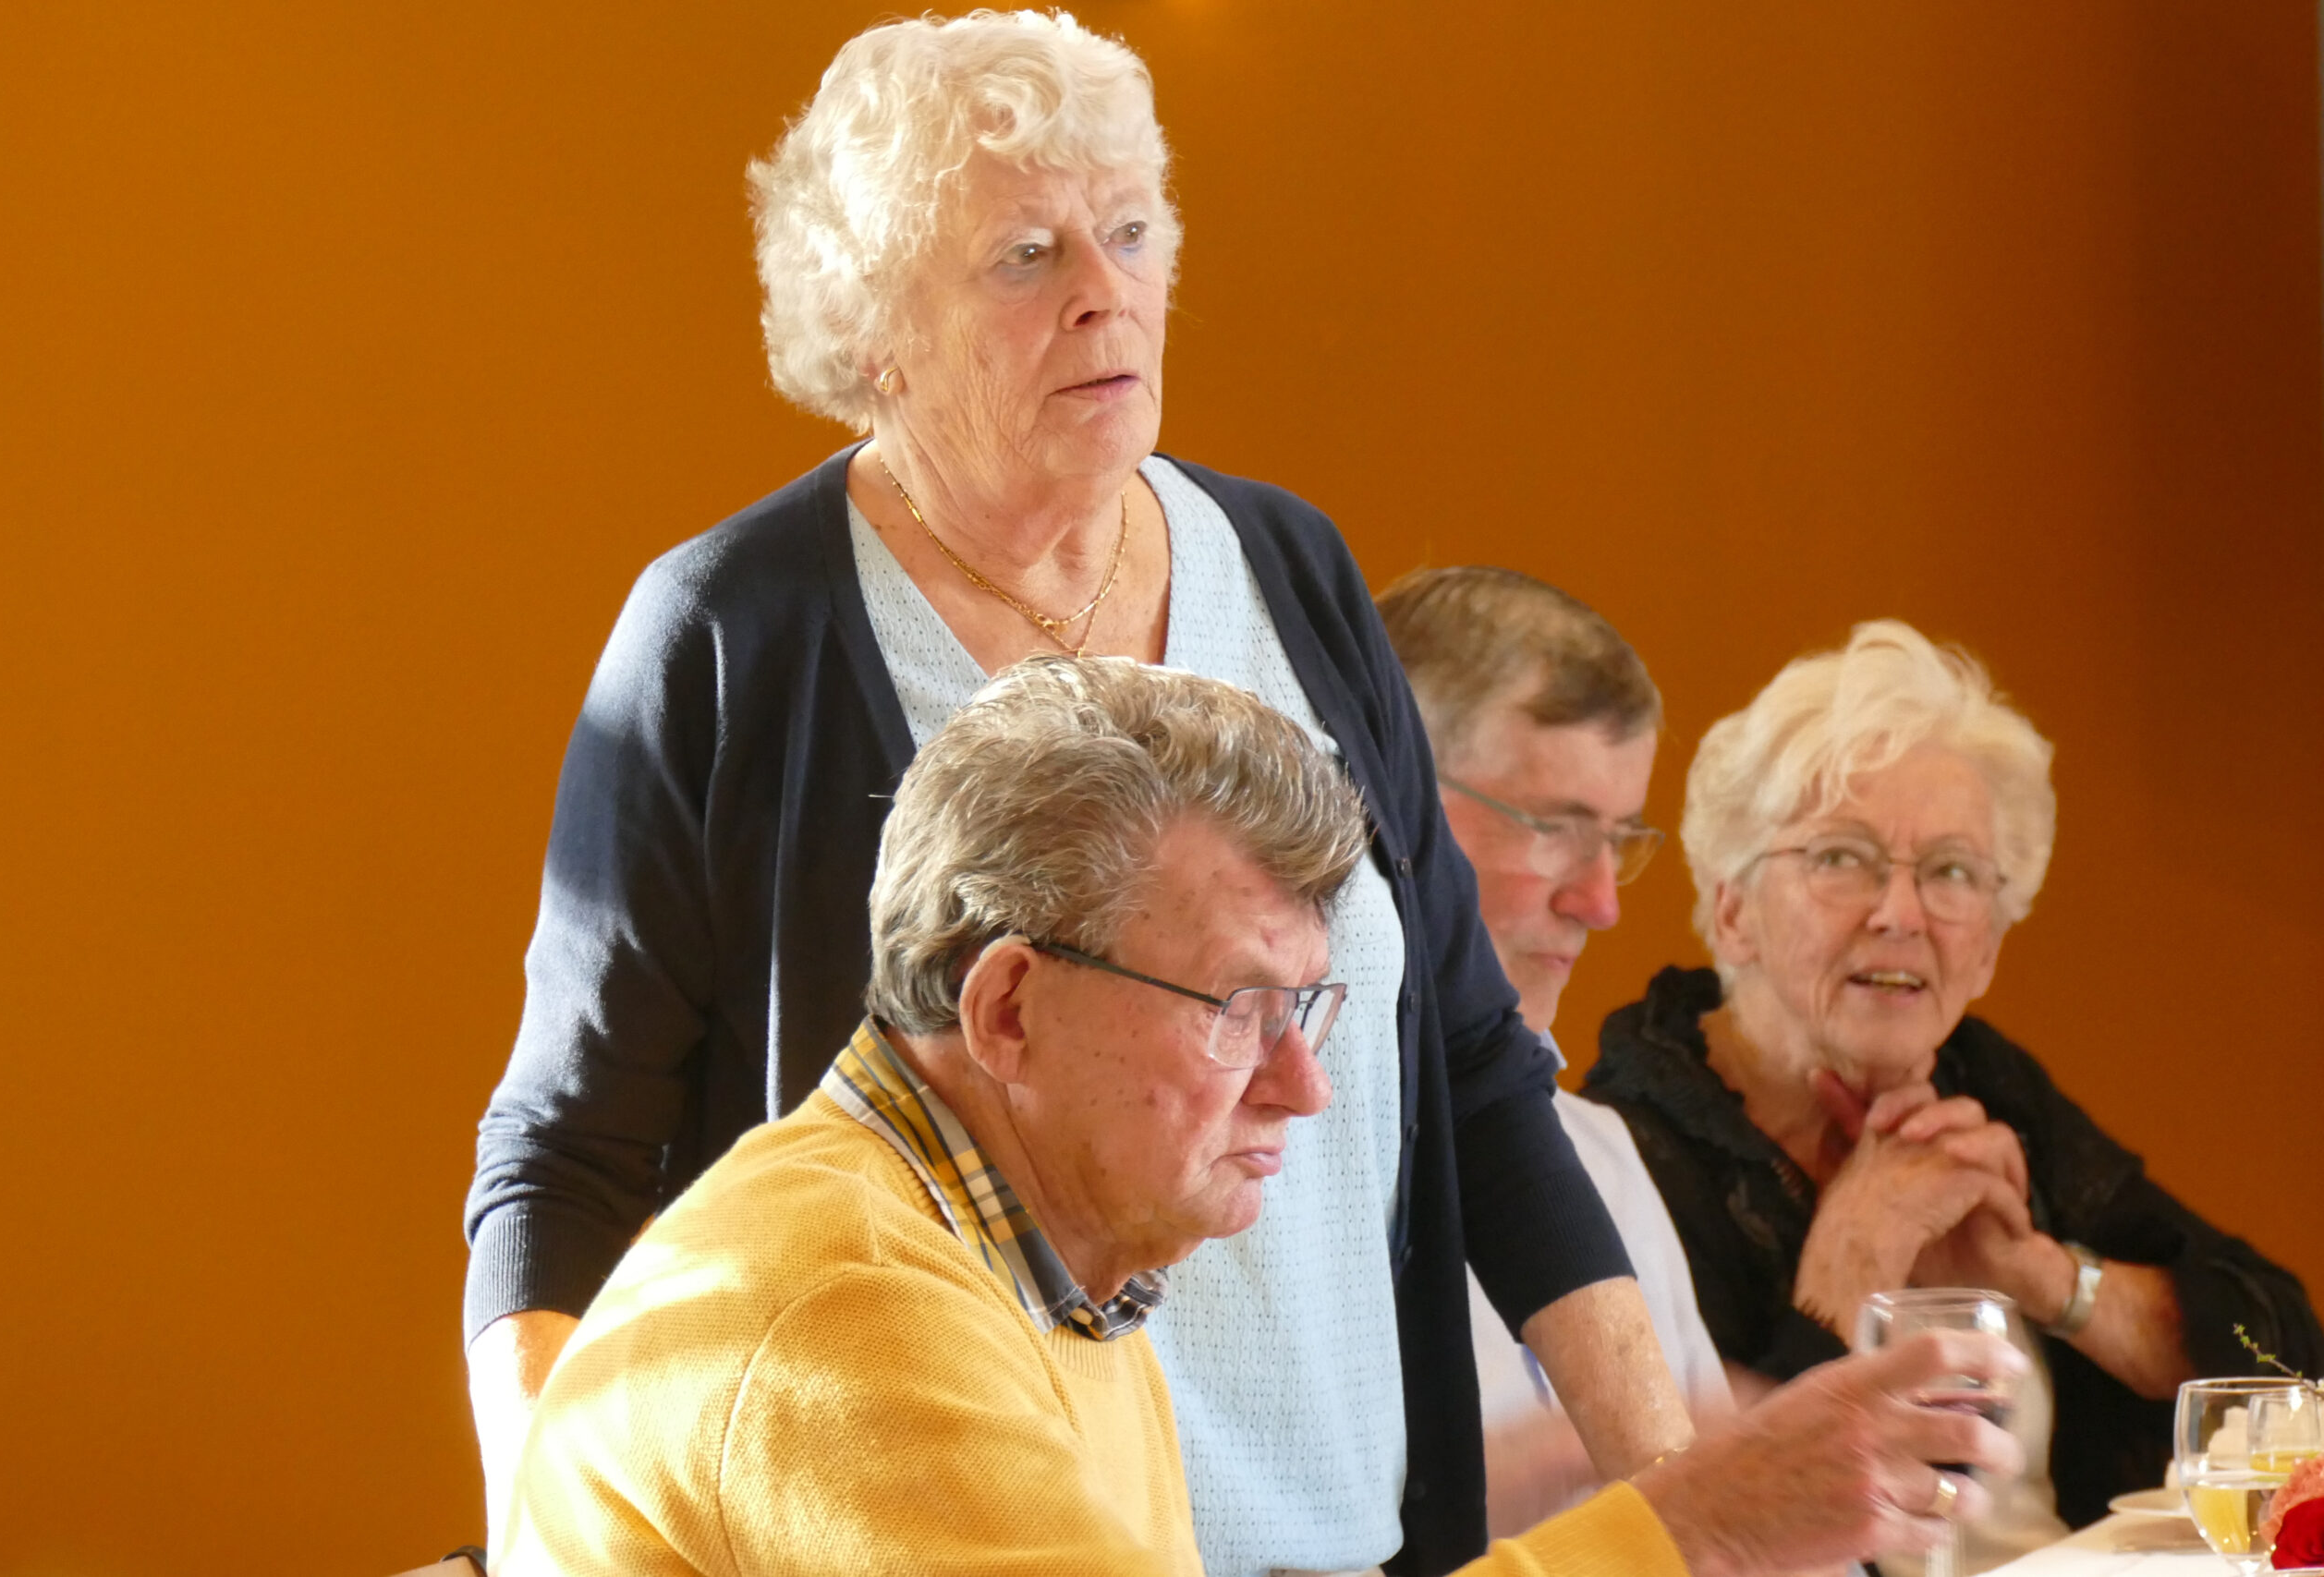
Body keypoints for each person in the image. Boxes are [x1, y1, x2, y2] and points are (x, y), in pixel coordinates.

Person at [464, 15, 1687, 1572]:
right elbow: (564, 1155)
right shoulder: (734, 632)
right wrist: (536, 1528)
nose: (1106, 292)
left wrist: (1685, 1496)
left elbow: (1471, 1065)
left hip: (1356, 1534)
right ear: (878, 330)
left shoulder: (1291, 570)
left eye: (1130, 233)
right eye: (1027, 255)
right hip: (961, 1524)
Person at [495, 655, 2028, 1577]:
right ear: (1009, 1005)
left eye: (1309, 1007)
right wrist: (1694, 1526)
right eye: (1237, 1006)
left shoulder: (1047, 1250)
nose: (1303, 1084)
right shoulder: (855, 1314)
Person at [1582, 618, 2324, 1535]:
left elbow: (2285, 1364)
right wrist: (1853, 1261)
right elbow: (1675, 1525)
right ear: (1733, 911)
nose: (1901, 913)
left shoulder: (1984, 1085)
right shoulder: (1623, 1153)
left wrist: (2043, 1276)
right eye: (1840, 857)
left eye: (1951, 872)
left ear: (1989, 947)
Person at [1377, 567, 1734, 1532]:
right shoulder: (1247, 1174)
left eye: (1619, 839)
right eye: (1555, 830)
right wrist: (1567, 1455)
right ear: (1399, 807)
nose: (1601, 903)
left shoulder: (1604, 1159)